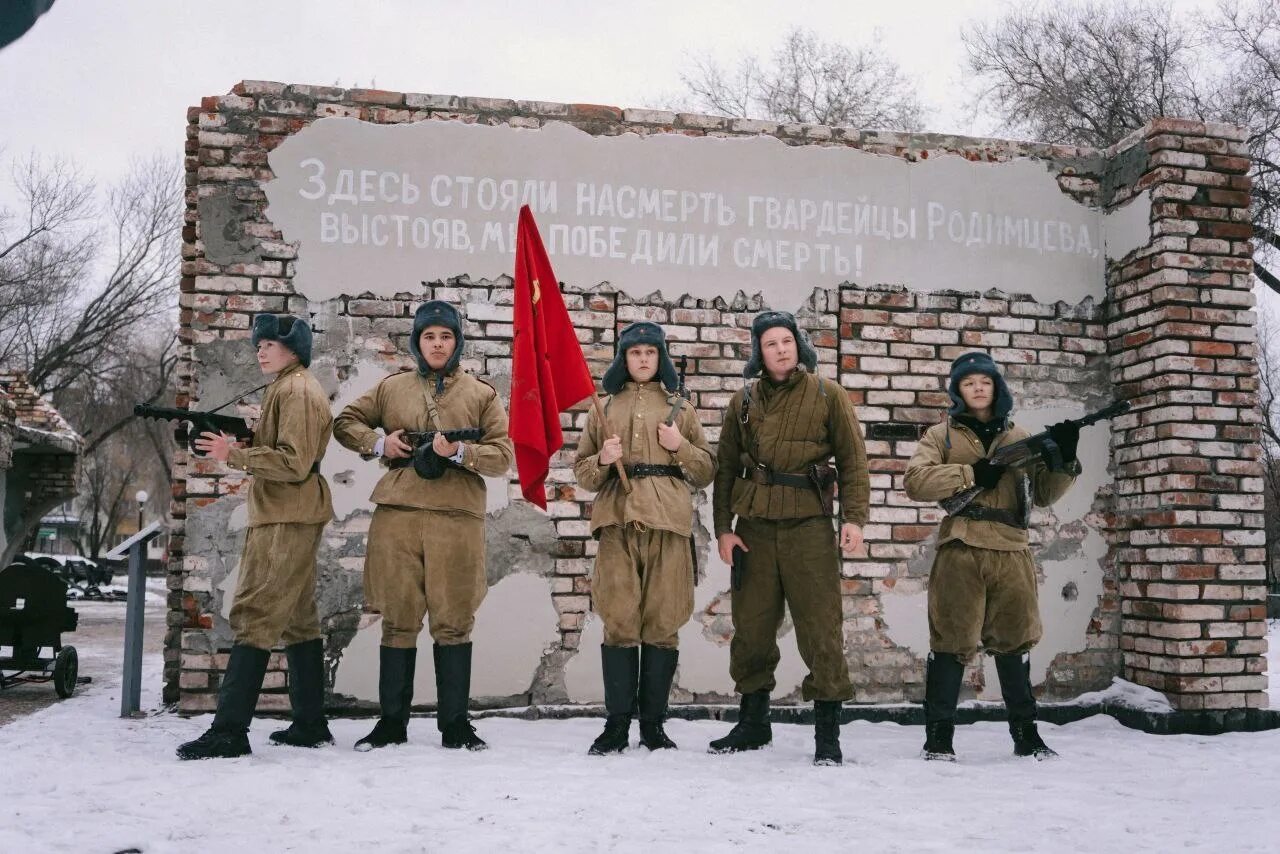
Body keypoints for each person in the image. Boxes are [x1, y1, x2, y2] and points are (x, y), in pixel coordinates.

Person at [333, 300, 513, 752]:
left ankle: (455, 726)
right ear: (418, 342)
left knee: (454, 621)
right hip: (399, 515)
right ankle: (392, 723)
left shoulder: (480, 395)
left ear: (457, 343)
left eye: (446, 336)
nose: (437, 344)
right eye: (429, 336)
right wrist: (380, 442)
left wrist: (457, 453)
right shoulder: (392, 389)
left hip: (457, 517)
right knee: (397, 618)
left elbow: (502, 455)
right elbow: (344, 422)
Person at [708, 310, 870, 766]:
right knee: (752, 628)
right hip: (754, 530)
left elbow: (854, 462)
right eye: (770, 344)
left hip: (808, 529)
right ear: (758, 353)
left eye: (787, 341)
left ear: (799, 345)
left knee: (821, 628)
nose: (781, 349)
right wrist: (724, 529)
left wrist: (853, 520)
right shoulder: (742, 400)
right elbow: (724, 470)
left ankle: (827, 733)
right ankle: (754, 724)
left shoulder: (827, 394)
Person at [904, 351, 1081, 761]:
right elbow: (916, 481)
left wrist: (1066, 458)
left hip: (1011, 547)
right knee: (950, 642)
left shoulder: (1020, 437)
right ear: (958, 391)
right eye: (969, 383)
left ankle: (1026, 736)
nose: (978, 388)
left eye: (985, 381)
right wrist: (969, 474)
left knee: (1015, 642)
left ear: (996, 387)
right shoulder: (941, 436)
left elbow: (1045, 493)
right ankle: (939, 739)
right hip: (961, 547)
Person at [177, 314, 335, 760]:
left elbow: (293, 463)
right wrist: (244, 439)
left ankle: (229, 732)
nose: (260, 350)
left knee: (256, 609)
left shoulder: (298, 390)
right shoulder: (287, 386)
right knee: (299, 618)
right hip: (289, 511)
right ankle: (309, 723)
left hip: (287, 514)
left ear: (295, 349)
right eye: (259, 344)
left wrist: (236, 455)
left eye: (270, 344)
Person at [573, 321, 716, 754]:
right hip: (617, 522)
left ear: (661, 358)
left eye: (650, 353)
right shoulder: (604, 407)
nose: (642, 359)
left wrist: (679, 447)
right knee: (618, 622)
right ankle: (616, 725)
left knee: (663, 622)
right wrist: (602, 457)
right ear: (624, 358)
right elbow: (582, 474)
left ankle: (653, 726)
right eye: (634, 352)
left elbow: (706, 470)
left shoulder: (681, 409)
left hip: (668, 523)